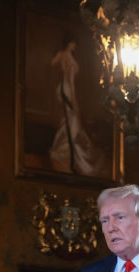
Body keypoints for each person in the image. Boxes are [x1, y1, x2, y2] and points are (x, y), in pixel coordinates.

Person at [48, 37, 106, 177]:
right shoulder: (71, 60)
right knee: (73, 120)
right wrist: (74, 100)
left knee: (68, 120)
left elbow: (52, 63)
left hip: (60, 88)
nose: (75, 46)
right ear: (69, 43)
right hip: (68, 89)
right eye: (74, 43)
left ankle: (62, 147)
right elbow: (71, 82)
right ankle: (66, 150)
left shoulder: (62, 54)